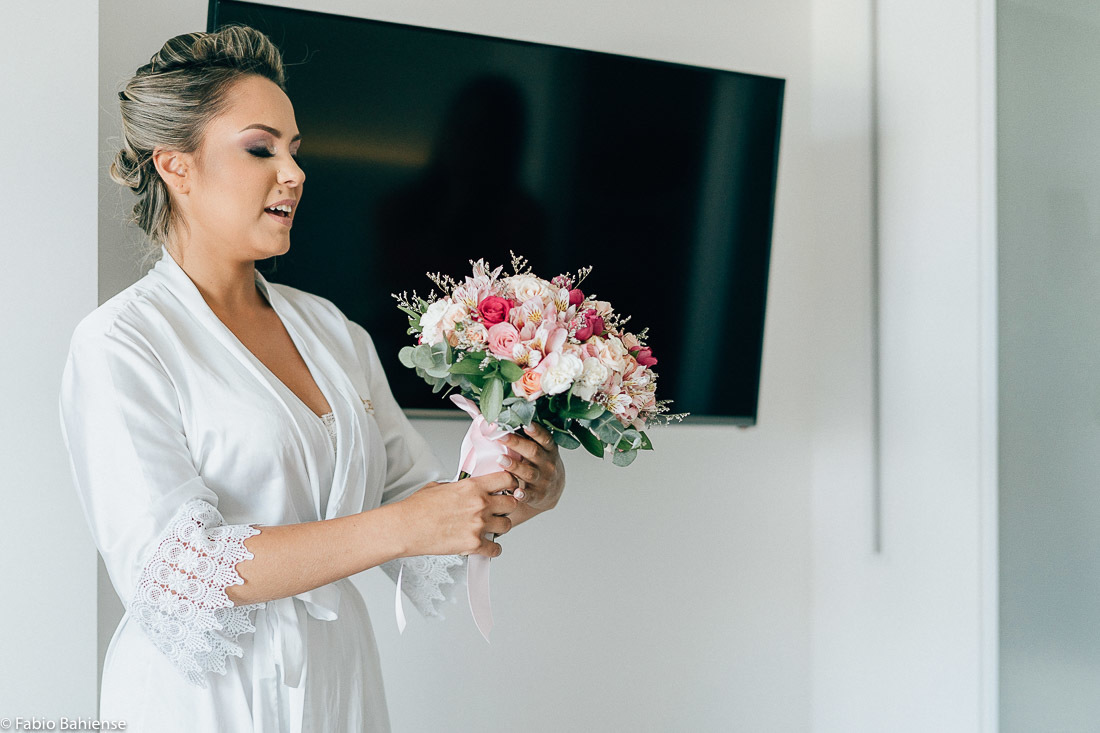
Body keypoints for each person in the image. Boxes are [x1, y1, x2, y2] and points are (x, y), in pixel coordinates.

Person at [58, 24, 565, 732]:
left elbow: (420, 506)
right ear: (176, 166)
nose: (294, 173)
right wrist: (401, 527)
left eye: (294, 150)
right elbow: (178, 569)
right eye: (261, 148)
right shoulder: (122, 342)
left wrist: (520, 493)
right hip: (204, 700)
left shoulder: (330, 328)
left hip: (337, 680)